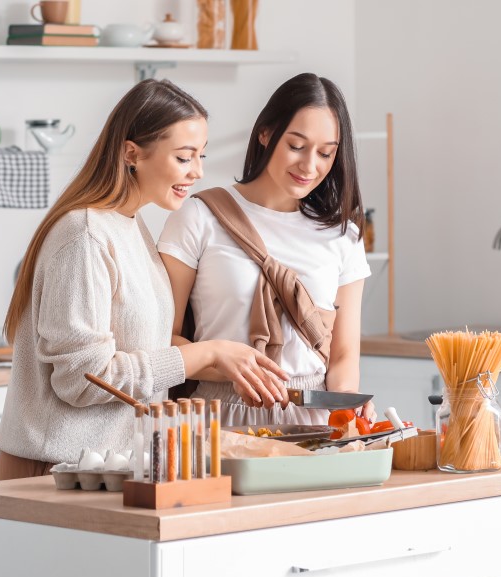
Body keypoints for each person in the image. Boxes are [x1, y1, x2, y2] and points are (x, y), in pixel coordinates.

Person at [0, 79, 287, 480]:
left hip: (107, 468)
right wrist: (206, 353)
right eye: (184, 157)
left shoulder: (131, 226)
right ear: (132, 153)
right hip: (54, 471)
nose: (197, 171)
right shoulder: (85, 234)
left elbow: (140, 351)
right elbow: (82, 379)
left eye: (200, 155)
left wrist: (231, 363)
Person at [158, 73, 372, 428]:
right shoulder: (199, 216)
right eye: (296, 146)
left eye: (325, 153)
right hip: (220, 419)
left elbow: (343, 355)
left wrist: (347, 404)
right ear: (266, 134)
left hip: (313, 421)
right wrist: (221, 361)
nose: (310, 166)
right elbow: (160, 340)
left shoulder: (343, 235)